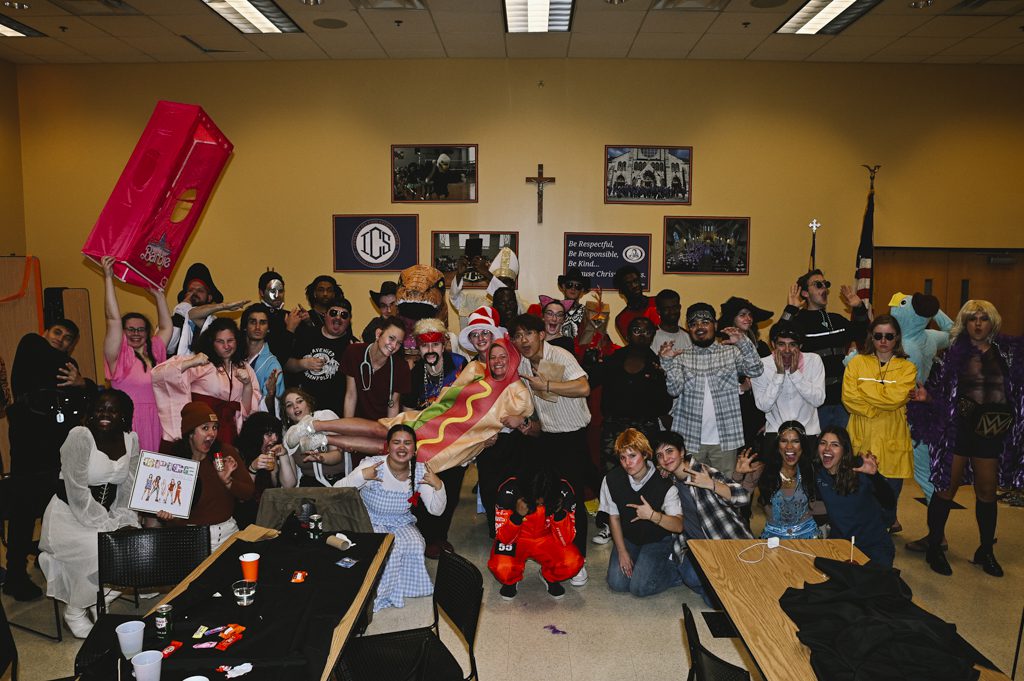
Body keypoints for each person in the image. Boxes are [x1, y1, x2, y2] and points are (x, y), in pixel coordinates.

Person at [910, 301, 1024, 577]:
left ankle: (986, 550)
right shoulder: (951, 355)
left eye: (983, 319)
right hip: (958, 430)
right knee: (945, 489)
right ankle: (935, 546)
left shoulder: (1006, 353)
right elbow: (941, 392)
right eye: (972, 319)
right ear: (964, 323)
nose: (977, 324)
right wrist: (928, 398)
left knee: (987, 492)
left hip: (992, 431)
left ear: (992, 322)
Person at [3, 319, 96, 601]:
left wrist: (83, 383)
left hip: (56, 453)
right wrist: (78, 378)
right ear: (46, 332)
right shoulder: (32, 343)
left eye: (68, 339)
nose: (61, 340)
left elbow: (84, 403)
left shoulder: (67, 368)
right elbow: (47, 358)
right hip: (28, 452)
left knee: (55, 513)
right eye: (58, 333)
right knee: (23, 513)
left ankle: (53, 567)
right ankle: (15, 574)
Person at [37, 389, 141, 637]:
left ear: (124, 416)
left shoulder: (131, 439)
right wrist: (108, 526)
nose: (105, 414)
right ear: (91, 413)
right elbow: (77, 493)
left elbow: (129, 484)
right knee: (99, 547)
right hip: (68, 516)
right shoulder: (80, 436)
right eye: (99, 408)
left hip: (106, 512)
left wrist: (125, 519)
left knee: (137, 544)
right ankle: (74, 612)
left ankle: (99, 597)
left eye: (113, 410)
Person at [510, 313, 596, 587]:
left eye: (529, 334)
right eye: (518, 336)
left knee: (572, 502)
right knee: (545, 500)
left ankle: (577, 560)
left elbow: (584, 387)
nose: (523, 340)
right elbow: (537, 411)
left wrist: (546, 385)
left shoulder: (560, 356)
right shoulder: (522, 364)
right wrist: (528, 426)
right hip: (546, 439)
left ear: (541, 335)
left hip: (572, 438)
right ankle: (553, 558)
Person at [334, 425, 445, 611]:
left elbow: (436, 510)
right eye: (396, 442)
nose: (402, 448)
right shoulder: (373, 465)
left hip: (400, 520)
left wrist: (439, 485)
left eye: (407, 443)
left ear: (415, 449)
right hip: (370, 520)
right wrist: (362, 476)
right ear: (388, 446)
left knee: (417, 544)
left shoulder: (419, 471)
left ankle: (405, 588)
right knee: (391, 548)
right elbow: (338, 489)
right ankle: (379, 595)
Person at [587, 316, 671, 544]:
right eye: (636, 330)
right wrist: (591, 361)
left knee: (645, 476)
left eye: (646, 331)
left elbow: (665, 404)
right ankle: (607, 523)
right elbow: (591, 381)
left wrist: (661, 375)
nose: (641, 335)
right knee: (610, 475)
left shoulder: (658, 363)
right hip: (614, 427)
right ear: (627, 334)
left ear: (653, 334)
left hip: (645, 429)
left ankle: (642, 521)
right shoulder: (615, 359)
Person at [659, 302, 764, 478]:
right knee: (691, 494)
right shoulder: (680, 357)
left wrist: (743, 343)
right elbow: (674, 390)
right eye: (693, 324)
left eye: (705, 322)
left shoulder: (730, 352)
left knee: (724, 493)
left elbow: (756, 370)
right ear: (688, 329)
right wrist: (667, 363)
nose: (699, 327)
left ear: (715, 325)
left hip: (726, 439)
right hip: (689, 440)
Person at [652, 431, 752, 607]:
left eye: (669, 451)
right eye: (660, 455)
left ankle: (723, 589)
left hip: (724, 540)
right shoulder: (668, 481)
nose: (665, 458)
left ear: (682, 451)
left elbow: (743, 497)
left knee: (739, 589)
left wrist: (712, 485)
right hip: (696, 546)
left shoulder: (703, 471)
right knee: (691, 576)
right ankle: (717, 590)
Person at [842, 314, 917, 534]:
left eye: (889, 336)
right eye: (878, 336)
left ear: (897, 338)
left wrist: (865, 390)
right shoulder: (857, 362)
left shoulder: (907, 368)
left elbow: (897, 398)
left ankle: (882, 532)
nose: (883, 341)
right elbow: (848, 398)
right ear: (871, 337)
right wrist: (882, 400)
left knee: (888, 495)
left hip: (892, 437)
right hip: (861, 435)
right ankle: (860, 533)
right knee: (858, 491)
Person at [404, 318, 467, 559]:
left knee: (450, 488)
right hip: (426, 440)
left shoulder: (460, 364)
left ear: (444, 345)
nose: (430, 351)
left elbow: (474, 399)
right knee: (424, 486)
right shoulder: (416, 372)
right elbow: (409, 410)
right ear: (418, 348)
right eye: (424, 346)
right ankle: (424, 535)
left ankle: (440, 536)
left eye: (435, 345)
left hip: (456, 437)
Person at [779, 269, 870, 430]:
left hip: (843, 399)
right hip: (814, 402)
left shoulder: (837, 320)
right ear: (805, 293)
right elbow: (779, 337)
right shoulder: (799, 321)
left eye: (825, 285)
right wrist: (790, 310)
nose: (824, 289)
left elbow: (864, 335)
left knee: (842, 448)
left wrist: (859, 308)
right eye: (818, 285)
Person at [157, 402, 255, 551]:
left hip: (227, 535)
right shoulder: (174, 462)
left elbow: (248, 493)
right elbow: (175, 515)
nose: (212, 433)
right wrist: (169, 518)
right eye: (205, 428)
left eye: (215, 427)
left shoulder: (224, 453)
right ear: (190, 433)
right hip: (190, 540)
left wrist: (228, 481)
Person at [152, 318, 261, 450]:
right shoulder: (200, 362)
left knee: (224, 466)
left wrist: (248, 385)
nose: (226, 346)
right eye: (220, 341)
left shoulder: (245, 368)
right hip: (200, 428)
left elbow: (247, 409)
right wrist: (191, 363)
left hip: (229, 429)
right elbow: (159, 375)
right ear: (211, 342)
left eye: (230, 341)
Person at [100, 255, 172, 452]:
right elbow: (112, 318)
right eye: (130, 329)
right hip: (128, 421)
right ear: (123, 333)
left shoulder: (155, 349)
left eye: (140, 329)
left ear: (148, 332)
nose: (135, 333)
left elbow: (166, 327)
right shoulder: (119, 355)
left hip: (157, 420)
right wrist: (108, 278)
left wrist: (158, 295)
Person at [489, 456, 584, 601]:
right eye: (536, 498)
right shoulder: (508, 491)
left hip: (547, 538)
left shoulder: (564, 491)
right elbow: (503, 538)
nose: (540, 502)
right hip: (517, 539)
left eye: (543, 499)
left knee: (573, 562)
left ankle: (549, 576)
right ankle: (512, 579)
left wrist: (559, 515)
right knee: (502, 568)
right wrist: (516, 517)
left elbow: (567, 539)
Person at [601, 429, 683, 597]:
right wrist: (622, 551)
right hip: (630, 538)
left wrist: (652, 515)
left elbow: (678, 525)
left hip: (658, 540)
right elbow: (614, 517)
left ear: (645, 454)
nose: (627, 463)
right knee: (617, 583)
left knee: (640, 588)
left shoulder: (664, 482)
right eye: (623, 458)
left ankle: (677, 571)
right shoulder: (612, 479)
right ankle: (640, 563)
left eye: (632, 456)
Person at [814, 426, 895, 567]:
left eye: (835, 445)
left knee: (874, 586)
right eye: (823, 443)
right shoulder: (818, 473)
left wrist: (875, 477)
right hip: (840, 543)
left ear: (844, 450)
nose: (827, 449)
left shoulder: (860, 468)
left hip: (873, 545)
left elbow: (889, 501)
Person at [745, 421, 822, 540]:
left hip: (809, 537)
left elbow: (827, 503)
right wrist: (738, 475)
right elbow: (737, 498)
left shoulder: (811, 470)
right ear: (777, 445)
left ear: (803, 445)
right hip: (773, 538)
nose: (789, 446)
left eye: (795, 441)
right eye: (784, 441)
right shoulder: (761, 470)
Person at [750, 323, 826, 439]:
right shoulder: (761, 365)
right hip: (775, 433)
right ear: (773, 344)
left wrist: (795, 373)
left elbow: (818, 400)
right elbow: (763, 406)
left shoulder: (813, 360)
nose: (787, 350)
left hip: (808, 432)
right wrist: (779, 375)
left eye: (792, 345)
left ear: (800, 345)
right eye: (781, 344)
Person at [720, 296, 774, 450]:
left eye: (750, 315)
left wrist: (770, 418)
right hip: (734, 412)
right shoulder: (724, 347)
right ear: (732, 318)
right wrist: (742, 387)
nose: (748, 318)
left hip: (760, 409)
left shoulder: (761, 347)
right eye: (742, 314)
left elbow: (772, 379)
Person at [286, 296, 353, 416]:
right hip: (302, 413)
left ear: (349, 320)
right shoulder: (306, 334)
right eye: (333, 313)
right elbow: (286, 364)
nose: (338, 318)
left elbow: (352, 392)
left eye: (343, 315)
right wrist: (302, 363)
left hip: (334, 415)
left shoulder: (351, 346)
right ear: (325, 315)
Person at [167, 262, 249, 357]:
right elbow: (168, 348)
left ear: (209, 298)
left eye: (200, 291)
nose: (194, 294)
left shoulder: (213, 323)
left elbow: (194, 315)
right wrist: (181, 311)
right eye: (190, 290)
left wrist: (223, 306)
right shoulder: (173, 319)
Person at [341, 317, 411, 425]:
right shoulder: (353, 352)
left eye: (399, 343)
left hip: (380, 426)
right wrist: (346, 427)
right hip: (356, 423)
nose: (393, 346)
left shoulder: (401, 367)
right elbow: (351, 395)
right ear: (378, 334)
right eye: (391, 338)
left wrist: (390, 434)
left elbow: (393, 404)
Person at [233, 411, 295, 529]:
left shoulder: (276, 453)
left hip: (274, 519)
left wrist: (284, 456)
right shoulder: (238, 454)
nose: (274, 438)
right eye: (269, 434)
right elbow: (241, 497)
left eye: (276, 434)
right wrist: (252, 469)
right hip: (247, 521)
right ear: (255, 435)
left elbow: (289, 485)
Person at [280, 387, 346, 487]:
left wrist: (321, 458)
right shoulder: (288, 436)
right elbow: (289, 485)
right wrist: (283, 455)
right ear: (287, 414)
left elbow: (338, 455)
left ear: (308, 404)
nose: (295, 407)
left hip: (337, 481)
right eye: (289, 405)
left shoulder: (325, 416)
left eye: (300, 401)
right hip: (309, 486)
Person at [253, 270, 307, 370]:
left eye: (281, 291)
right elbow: (277, 356)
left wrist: (308, 322)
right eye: (272, 291)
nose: (277, 295)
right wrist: (290, 329)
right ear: (261, 292)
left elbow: (304, 348)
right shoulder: (254, 315)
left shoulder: (289, 315)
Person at [242, 304, 285, 415]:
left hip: (257, 421)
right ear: (245, 326)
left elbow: (276, 409)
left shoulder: (273, 364)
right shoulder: (235, 356)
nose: (257, 327)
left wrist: (271, 394)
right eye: (253, 322)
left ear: (268, 328)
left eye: (262, 323)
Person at [611, 265, 660, 344]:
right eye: (628, 284)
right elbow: (634, 347)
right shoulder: (622, 319)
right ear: (621, 291)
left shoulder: (658, 302)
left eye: (636, 281)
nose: (634, 286)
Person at [652, 289, 691, 357]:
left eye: (674, 307)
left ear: (679, 307)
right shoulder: (651, 337)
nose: (672, 312)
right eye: (666, 308)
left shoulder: (689, 337)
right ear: (658, 311)